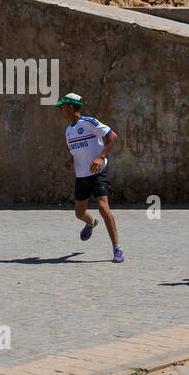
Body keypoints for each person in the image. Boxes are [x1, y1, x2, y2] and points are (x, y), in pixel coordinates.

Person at [56, 93, 124, 263]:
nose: (60, 110)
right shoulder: (68, 131)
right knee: (79, 213)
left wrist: (100, 157)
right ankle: (91, 222)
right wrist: (70, 162)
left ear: (71, 107)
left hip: (97, 174)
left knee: (103, 207)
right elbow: (79, 150)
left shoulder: (89, 122)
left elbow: (112, 136)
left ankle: (117, 249)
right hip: (81, 177)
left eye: (62, 106)